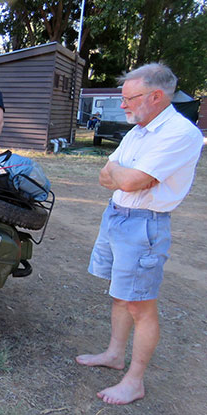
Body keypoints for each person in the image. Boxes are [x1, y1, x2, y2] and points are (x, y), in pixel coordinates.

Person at [76, 63, 203, 405]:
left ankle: (134, 381)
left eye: (129, 98)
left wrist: (122, 173)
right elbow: (106, 176)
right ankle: (115, 355)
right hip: (117, 214)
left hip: (144, 224)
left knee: (140, 305)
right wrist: (122, 172)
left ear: (156, 96)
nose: (124, 105)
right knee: (120, 294)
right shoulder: (138, 131)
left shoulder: (180, 132)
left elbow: (129, 180)